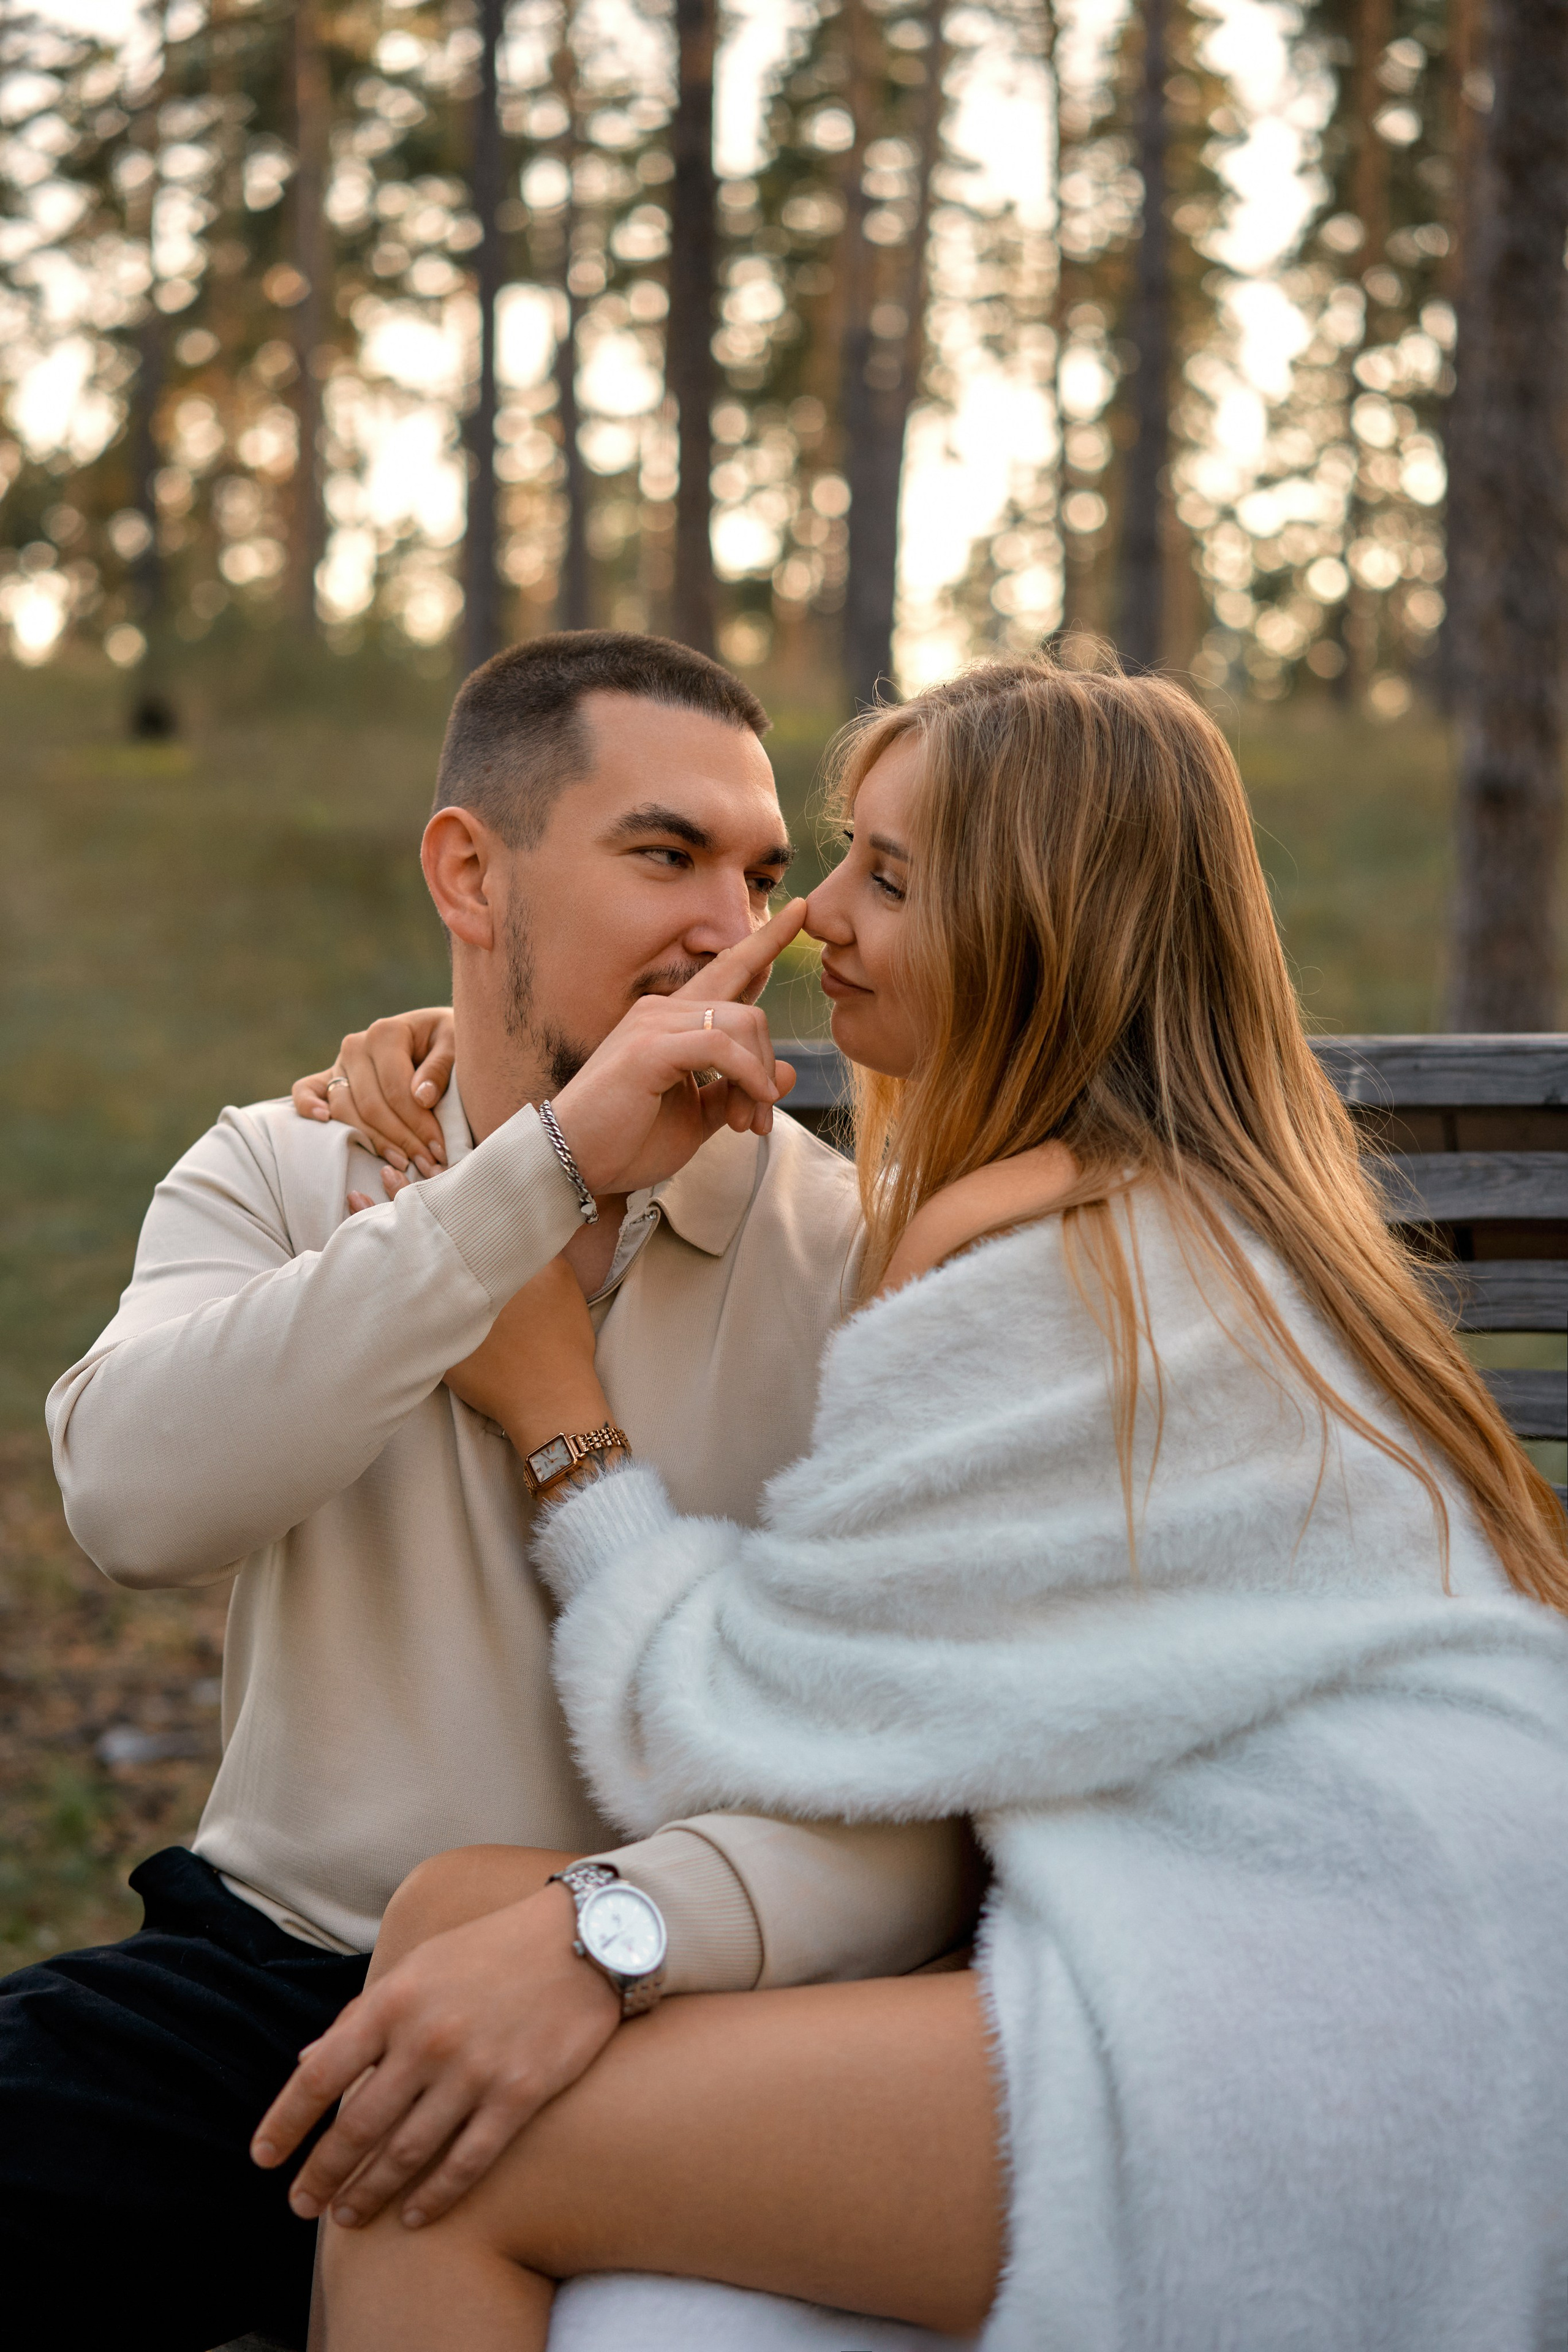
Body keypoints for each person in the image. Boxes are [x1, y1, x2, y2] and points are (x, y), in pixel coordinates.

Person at [256, 652, 1568, 2352]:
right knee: (452, 1921)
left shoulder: (1045, 1259)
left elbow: (747, 1727)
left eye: (886, 877)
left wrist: (554, 1410)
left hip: (1310, 2002)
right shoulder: (1173, 1213)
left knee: (426, 2170)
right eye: (837, 867)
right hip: (1399, 1931)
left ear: (1037, 924)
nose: (815, 927)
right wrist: (459, 1049)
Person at [10, 633, 976, 2352]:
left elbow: (913, 1795)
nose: (735, 924)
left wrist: (613, 1934)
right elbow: (133, 1505)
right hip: (283, 1979)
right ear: (472, 873)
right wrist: (528, 1184)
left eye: (761, 870)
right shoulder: (286, 1167)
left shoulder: (858, 1259)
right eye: (664, 855)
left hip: (670, 1995)